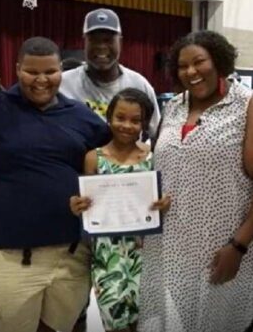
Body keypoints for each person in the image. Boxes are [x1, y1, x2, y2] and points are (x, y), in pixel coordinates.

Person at [0, 36, 110, 332]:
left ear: (60, 71)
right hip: (6, 259)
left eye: (50, 72)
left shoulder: (81, 116)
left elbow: (115, 164)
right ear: (17, 69)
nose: (41, 80)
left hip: (69, 256)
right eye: (32, 71)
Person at [139, 30, 253, 332]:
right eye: (183, 66)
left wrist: (238, 246)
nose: (191, 72)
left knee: (230, 321)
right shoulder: (174, 106)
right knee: (185, 320)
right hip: (179, 244)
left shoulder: (251, 105)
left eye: (199, 62)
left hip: (232, 245)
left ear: (219, 61)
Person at [70, 88, 171, 332]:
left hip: (146, 254)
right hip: (107, 256)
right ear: (108, 118)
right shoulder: (94, 158)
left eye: (136, 120)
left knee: (145, 322)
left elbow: (162, 202)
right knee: (114, 321)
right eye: (120, 117)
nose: (127, 125)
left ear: (145, 124)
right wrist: (78, 206)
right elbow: (88, 204)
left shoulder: (152, 157)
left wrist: (163, 205)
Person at [61, 8, 160, 138]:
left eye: (108, 40)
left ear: (120, 42)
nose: (101, 46)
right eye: (94, 40)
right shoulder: (63, 84)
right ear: (84, 42)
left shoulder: (139, 85)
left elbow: (156, 135)